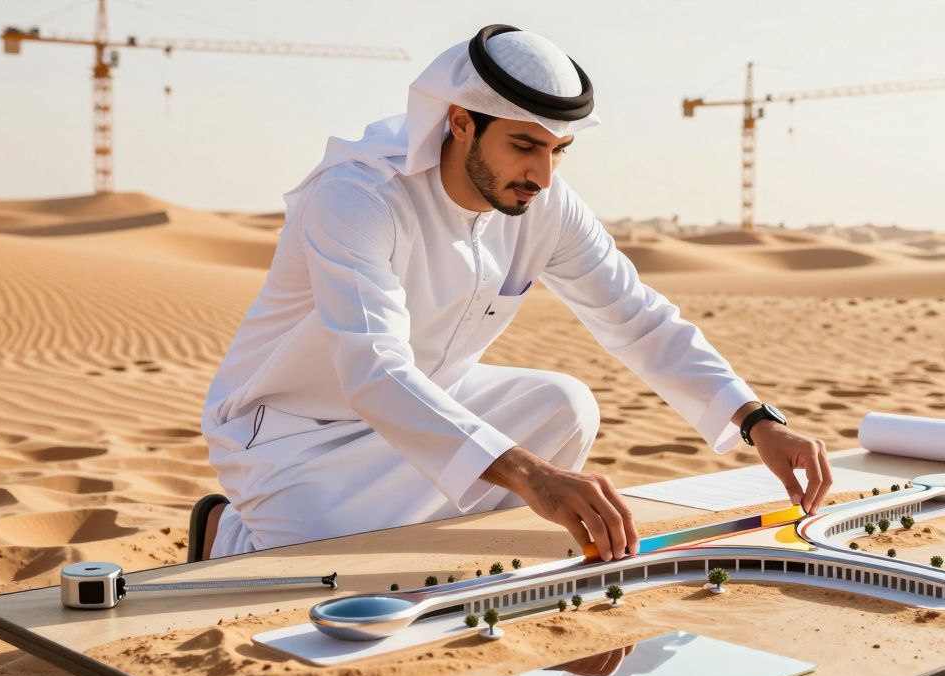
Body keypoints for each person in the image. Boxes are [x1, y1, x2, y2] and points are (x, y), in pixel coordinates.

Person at [198, 24, 833, 561]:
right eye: (525, 146)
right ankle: (226, 532)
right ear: (460, 122)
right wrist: (531, 476)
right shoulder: (358, 196)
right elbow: (375, 368)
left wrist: (756, 421)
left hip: (433, 409)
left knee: (564, 405)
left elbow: (637, 318)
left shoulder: (545, 204)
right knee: (325, 575)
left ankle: (453, 551)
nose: (542, 173)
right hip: (291, 437)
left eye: (559, 150)